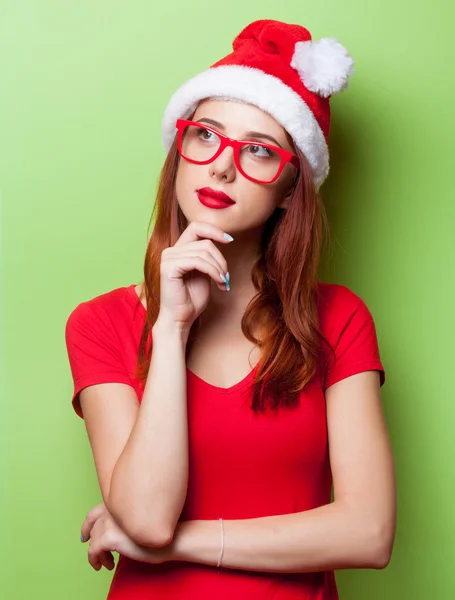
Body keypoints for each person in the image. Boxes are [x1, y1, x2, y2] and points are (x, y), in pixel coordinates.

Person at [65, 18, 396, 600]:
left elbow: (369, 533)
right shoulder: (100, 324)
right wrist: (170, 328)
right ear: (181, 148)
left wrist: (182, 542)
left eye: (259, 151)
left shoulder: (338, 318)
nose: (222, 166)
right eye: (206, 135)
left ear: (291, 187)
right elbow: (144, 517)